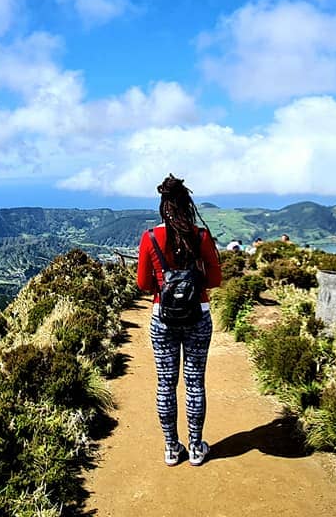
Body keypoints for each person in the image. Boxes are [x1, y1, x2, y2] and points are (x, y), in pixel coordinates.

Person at [136, 175, 222, 467]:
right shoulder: (200, 237)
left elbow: (143, 284)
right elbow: (216, 279)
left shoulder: (149, 238)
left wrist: (166, 286)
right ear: (187, 205)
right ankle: (196, 448)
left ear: (163, 206)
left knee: (165, 384)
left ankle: (172, 449)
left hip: (163, 318)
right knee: (195, 382)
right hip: (199, 316)